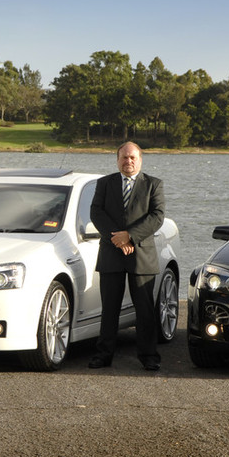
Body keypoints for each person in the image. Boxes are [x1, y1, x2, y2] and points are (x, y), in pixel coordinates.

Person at [89, 141, 165, 371]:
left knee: (144, 310)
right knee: (109, 309)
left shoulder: (153, 184)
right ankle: (104, 355)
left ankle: (149, 356)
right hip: (112, 254)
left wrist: (130, 237)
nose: (128, 161)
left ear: (140, 160)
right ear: (117, 159)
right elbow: (96, 211)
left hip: (141, 254)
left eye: (133, 157)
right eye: (124, 157)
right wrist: (118, 239)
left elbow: (157, 216)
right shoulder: (105, 183)